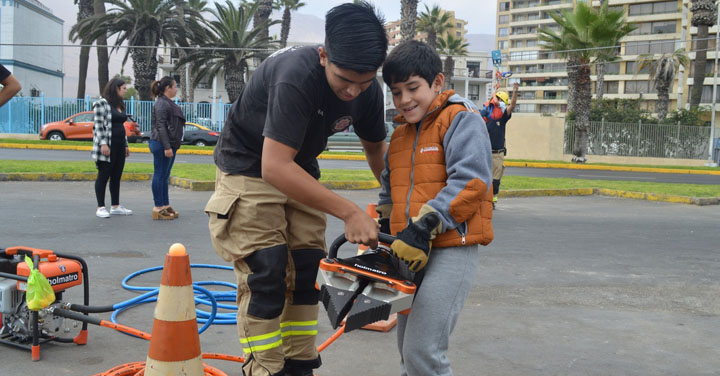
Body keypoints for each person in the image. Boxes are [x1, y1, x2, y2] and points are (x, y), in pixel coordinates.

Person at [204, 2, 388, 375]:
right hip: (249, 165)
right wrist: (350, 212)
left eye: (364, 81)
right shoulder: (296, 75)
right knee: (267, 270)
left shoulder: (369, 91)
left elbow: (375, 151)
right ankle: (265, 368)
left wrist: (394, 203)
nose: (353, 91)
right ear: (324, 56)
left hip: (298, 167)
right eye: (344, 80)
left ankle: (300, 363)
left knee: (307, 269)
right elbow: (273, 166)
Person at [377, 40, 494, 376]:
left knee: (423, 351)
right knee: (408, 352)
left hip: (449, 249)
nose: (404, 100)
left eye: (413, 88)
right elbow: (389, 189)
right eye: (396, 92)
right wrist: (384, 232)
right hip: (409, 251)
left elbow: (471, 182)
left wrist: (423, 226)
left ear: (438, 82)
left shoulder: (460, 119)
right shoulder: (400, 135)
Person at [91, 78, 133, 218]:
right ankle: (101, 207)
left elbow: (121, 126)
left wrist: (125, 144)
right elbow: (98, 126)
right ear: (116, 88)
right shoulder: (101, 104)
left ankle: (115, 205)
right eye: (124, 88)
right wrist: (103, 144)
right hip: (107, 145)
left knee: (116, 176)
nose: (125, 91)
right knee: (104, 175)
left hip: (119, 144)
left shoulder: (120, 105)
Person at [149, 76, 184, 220]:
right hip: (161, 144)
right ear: (168, 88)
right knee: (160, 174)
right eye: (175, 86)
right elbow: (161, 126)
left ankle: (165, 204)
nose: (177, 89)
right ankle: (158, 207)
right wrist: (167, 146)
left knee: (165, 175)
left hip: (170, 144)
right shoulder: (162, 103)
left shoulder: (167, 102)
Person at [481, 82, 517, 209]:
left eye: (501, 101)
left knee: (495, 180)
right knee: (483, 178)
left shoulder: (502, 119)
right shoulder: (486, 118)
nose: (498, 103)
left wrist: (515, 91)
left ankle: (492, 200)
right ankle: (484, 200)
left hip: (497, 153)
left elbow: (512, 105)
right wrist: (494, 90)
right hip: (485, 153)